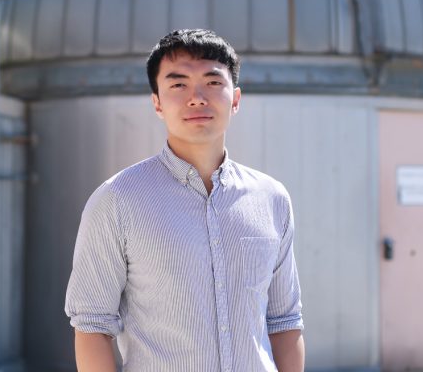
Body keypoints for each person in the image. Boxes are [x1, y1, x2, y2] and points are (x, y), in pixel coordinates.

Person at [65, 29, 305, 372]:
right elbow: (92, 325)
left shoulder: (271, 198)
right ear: (157, 102)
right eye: (178, 84)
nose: (196, 98)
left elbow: (284, 321)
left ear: (235, 99)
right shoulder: (117, 200)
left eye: (212, 82)